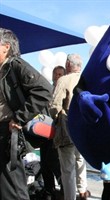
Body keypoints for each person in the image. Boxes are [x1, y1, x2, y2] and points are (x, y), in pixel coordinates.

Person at [0, 28, 53, 199]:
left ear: (6, 47)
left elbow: (44, 90)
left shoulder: (15, 65)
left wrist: (19, 117)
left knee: (13, 187)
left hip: (8, 132)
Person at [50, 54, 90, 200]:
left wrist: (56, 118)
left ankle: (70, 197)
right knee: (81, 160)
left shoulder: (63, 80)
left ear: (68, 64)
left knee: (67, 168)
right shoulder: (87, 79)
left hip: (67, 127)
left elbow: (54, 106)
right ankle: (83, 191)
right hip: (85, 128)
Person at [38, 66, 67, 200]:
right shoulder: (47, 89)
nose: (57, 76)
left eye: (60, 74)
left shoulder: (65, 90)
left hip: (59, 132)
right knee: (44, 163)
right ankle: (48, 191)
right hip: (45, 131)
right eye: (55, 74)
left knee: (55, 162)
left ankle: (63, 188)